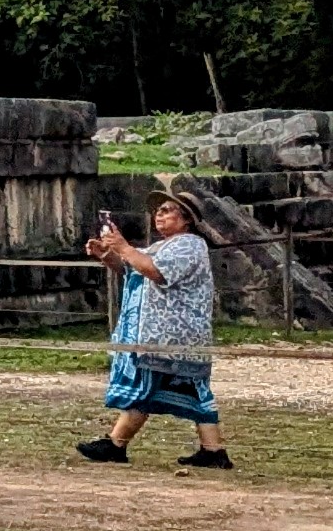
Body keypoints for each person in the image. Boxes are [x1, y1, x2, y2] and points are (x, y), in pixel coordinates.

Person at [78, 194, 229, 468]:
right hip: (168, 335)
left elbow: (157, 272)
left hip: (171, 334)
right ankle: (213, 450)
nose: (159, 215)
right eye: (158, 211)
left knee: (147, 387)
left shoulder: (189, 246)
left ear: (186, 220)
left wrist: (123, 247)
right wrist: (107, 254)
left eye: (168, 211)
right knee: (192, 390)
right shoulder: (163, 246)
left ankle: (116, 444)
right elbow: (133, 270)